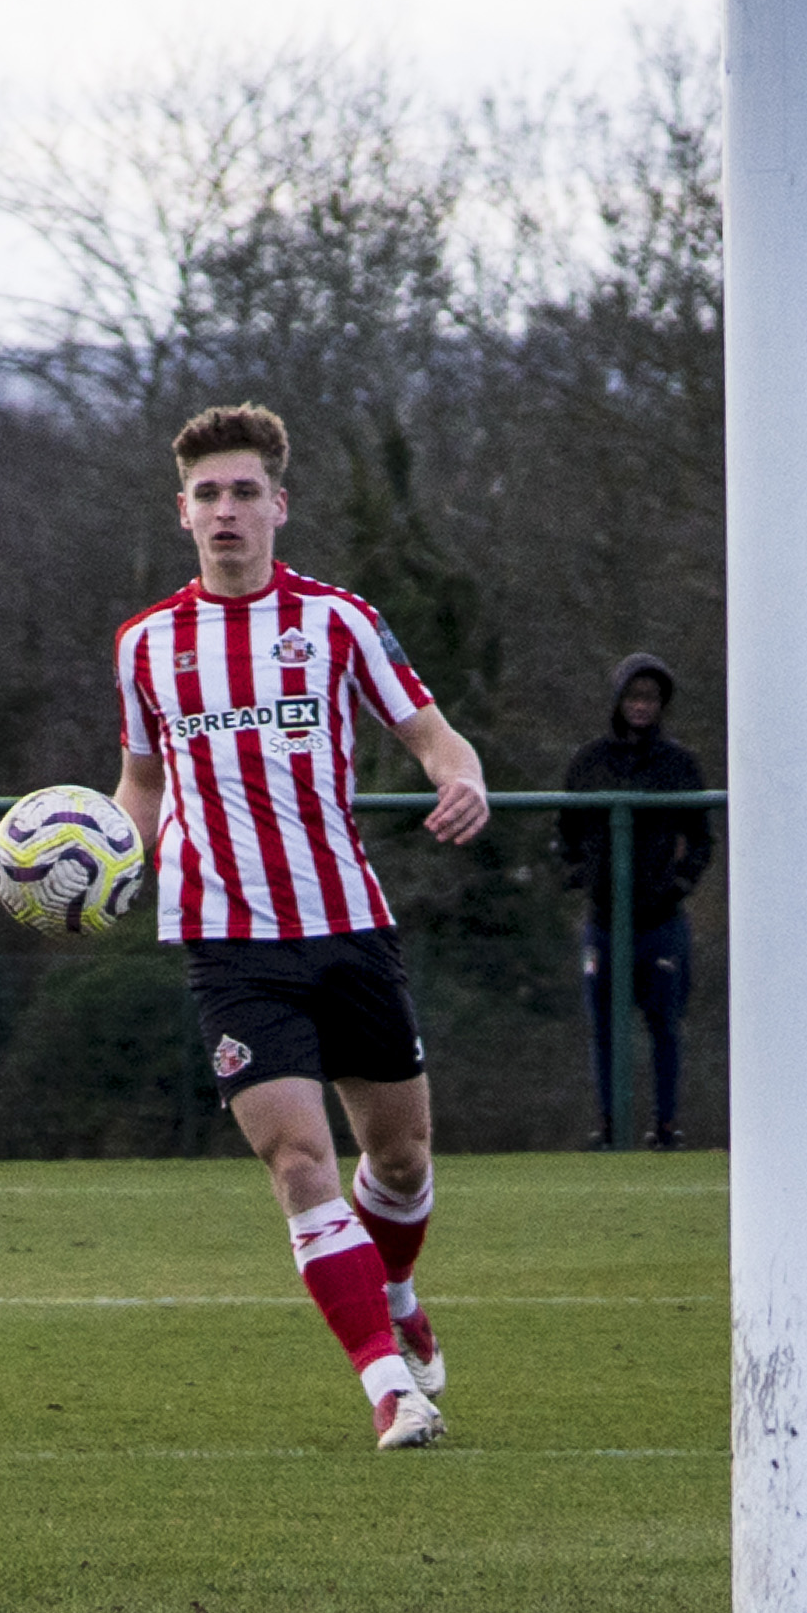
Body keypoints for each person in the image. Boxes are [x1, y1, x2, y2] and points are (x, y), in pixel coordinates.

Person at [106, 405, 485, 1445]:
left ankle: (394, 1289)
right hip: (224, 942)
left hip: (347, 925)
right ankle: (387, 1389)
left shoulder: (335, 622)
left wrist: (463, 783)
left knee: (400, 1159)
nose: (225, 510)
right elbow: (141, 784)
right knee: (297, 1163)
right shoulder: (146, 646)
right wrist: (106, 859)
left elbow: (431, 734)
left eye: (242, 492)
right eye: (206, 494)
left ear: (279, 504)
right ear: (181, 513)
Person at [558, 654, 712, 1150]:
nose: (640, 706)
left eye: (649, 698)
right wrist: (582, 876)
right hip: (603, 921)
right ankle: (610, 1127)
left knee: (664, 1026)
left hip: (660, 921)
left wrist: (680, 883)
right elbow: (565, 834)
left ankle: (665, 1127)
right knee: (604, 1029)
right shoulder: (589, 762)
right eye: (633, 697)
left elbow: (703, 838)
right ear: (618, 701)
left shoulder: (679, 765)